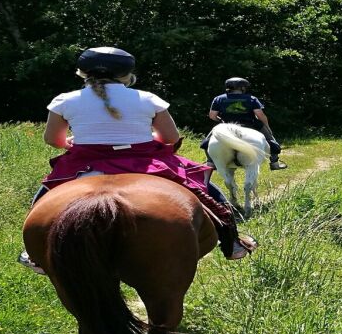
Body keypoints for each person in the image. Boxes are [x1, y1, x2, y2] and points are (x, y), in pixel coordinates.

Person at [18, 47, 256, 272]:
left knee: (43, 197)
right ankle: (232, 241)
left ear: (83, 73)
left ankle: (35, 252)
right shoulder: (148, 98)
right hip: (144, 161)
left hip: (85, 161)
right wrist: (146, 136)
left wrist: (68, 142)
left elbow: (52, 139)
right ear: (126, 74)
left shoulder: (64, 100)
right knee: (206, 190)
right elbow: (170, 138)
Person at [199, 77, 288, 170]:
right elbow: (260, 115)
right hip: (250, 124)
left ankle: (210, 162)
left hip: (226, 126)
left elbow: (212, 116)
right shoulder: (251, 98)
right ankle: (274, 163)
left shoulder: (218, 99)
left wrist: (220, 121)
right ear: (242, 88)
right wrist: (267, 127)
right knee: (272, 141)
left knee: (207, 143)